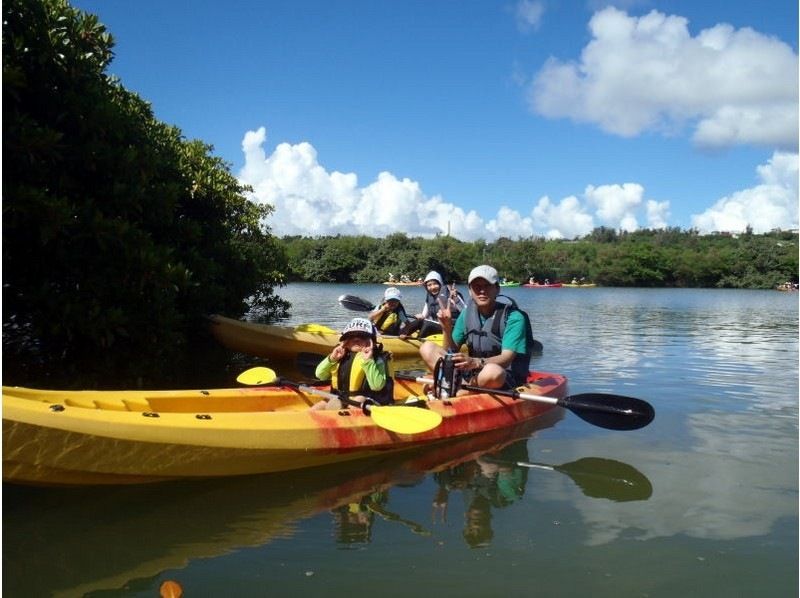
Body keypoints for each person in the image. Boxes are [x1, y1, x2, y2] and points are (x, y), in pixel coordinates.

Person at [419, 264, 533, 391]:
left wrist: (476, 362)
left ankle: (459, 388)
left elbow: (506, 359)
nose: (482, 291)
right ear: (470, 290)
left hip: (502, 376)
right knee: (427, 347)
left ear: (497, 289)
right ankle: (453, 383)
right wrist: (446, 328)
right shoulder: (466, 314)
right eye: (476, 287)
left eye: (487, 286)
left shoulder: (514, 317)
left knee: (493, 371)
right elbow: (449, 351)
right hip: (473, 374)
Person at [312, 317, 393, 410]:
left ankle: (342, 415)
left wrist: (368, 361)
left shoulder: (376, 359)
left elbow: (376, 386)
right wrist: (332, 359)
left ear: (372, 342)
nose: (356, 339)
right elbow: (320, 375)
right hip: (341, 397)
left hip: (369, 400)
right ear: (344, 341)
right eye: (350, 337)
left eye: (362, 337)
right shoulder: (339, 355)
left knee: (358, 399)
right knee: (319, 406)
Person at [400, 271, 464, 339]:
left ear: (440, 283)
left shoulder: (451, 293)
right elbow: (424, 316)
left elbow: (466, 312)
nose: (432, 287)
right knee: (419, 321)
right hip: (438, 325)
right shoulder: (429, 296)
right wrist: (421, 316)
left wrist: (456, 300)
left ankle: (418, 341)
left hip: (452, 328)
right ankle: (400, 334)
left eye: (435, 284)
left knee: (427, 324)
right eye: (429, 285)